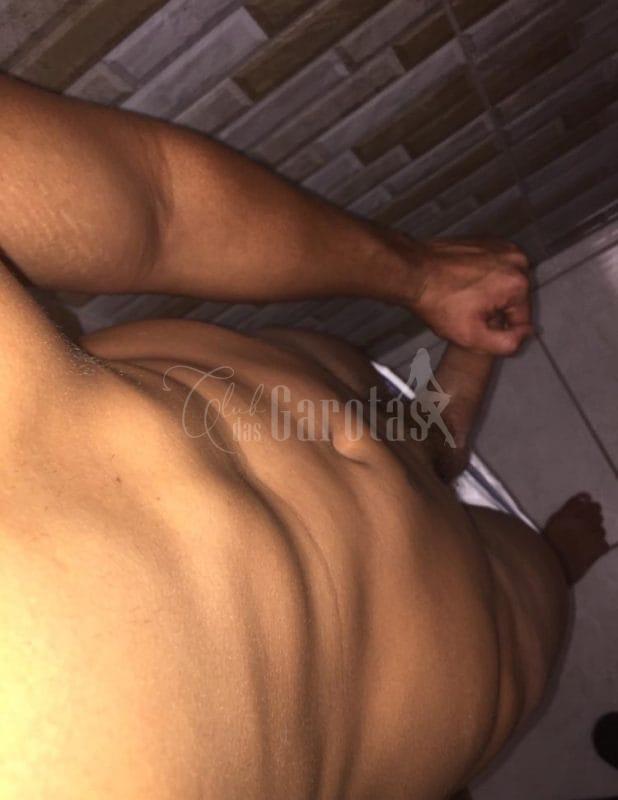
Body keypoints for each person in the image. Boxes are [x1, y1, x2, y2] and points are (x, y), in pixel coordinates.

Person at [0, 73, 611, 800]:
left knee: (407, 443)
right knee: (536, 579)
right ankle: (553, 558)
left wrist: (422, 278)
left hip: (317, 403)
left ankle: (443, 440)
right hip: (449, 664)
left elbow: (157, 205)